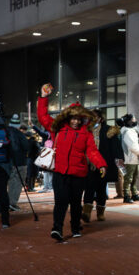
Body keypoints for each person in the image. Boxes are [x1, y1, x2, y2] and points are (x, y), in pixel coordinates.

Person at [37, 84, 107, 241]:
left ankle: (76, 227)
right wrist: (43, 97)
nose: (75, 121)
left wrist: (101, 164)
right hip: (60, 173)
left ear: (82, 119)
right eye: (73, 118)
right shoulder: (58, 128)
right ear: (68, 118)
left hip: (78, 174)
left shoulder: (86, 133)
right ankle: (57, 229)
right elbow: (43, 116)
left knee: (76, 204)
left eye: (78, 119)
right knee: (61, 202)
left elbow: (92, 151)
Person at [81, 109, 123, 222]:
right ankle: (86, 213)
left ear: (100, 118)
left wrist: (119, 160)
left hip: (104, 165)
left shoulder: (108, 130)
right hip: (89, 165)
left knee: (101, 189)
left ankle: (100, 213)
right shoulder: (85, 130)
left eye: (95, 117)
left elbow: (116, 147)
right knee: (89, 188)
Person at [119, 113, 139, 203]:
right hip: (129, 158)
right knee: (128, 178)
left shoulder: (131, 131)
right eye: (133, 119)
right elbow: (133, 146)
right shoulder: (128, 132)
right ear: (129, 121)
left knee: (134, 178)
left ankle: (134, 194)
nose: (135, 120)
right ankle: (126, 196)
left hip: (134, 158)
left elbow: (137, 143)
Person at [6, 114, 30, 211]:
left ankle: (3, 202)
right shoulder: (20, 135)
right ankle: (12, 202)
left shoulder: (4, 132)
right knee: (17, 183)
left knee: (6, 182)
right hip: (20, 162)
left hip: (7, 162)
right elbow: (26, 147)